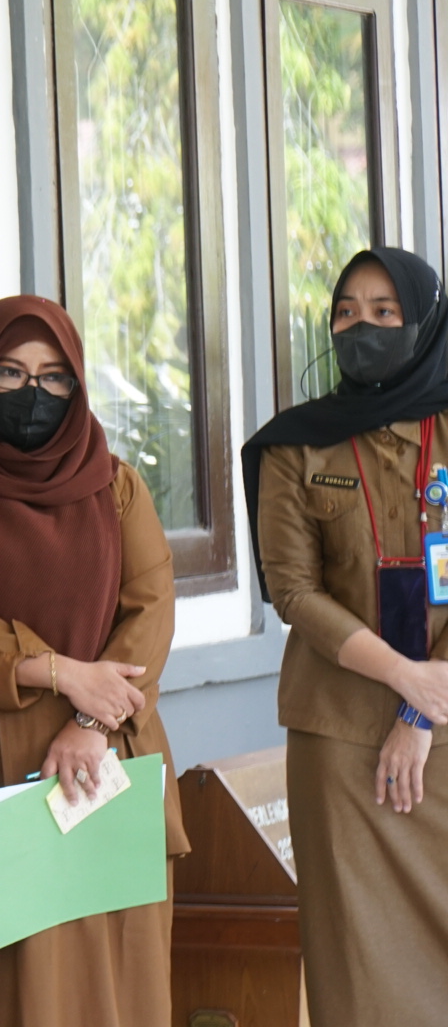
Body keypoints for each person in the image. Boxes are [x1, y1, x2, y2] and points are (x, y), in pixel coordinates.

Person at [0, 296, 188, 1027]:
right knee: (16, 997)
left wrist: (90, 718)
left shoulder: (118, 487)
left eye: (54, 377)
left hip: (109, 752)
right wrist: (61, 671)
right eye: (11, 373)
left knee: (128, 984)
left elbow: (151, 609)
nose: (33, 393)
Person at [244, 247, 448, 1024]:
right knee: (357, 964)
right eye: (346, 313)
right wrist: (405, 678)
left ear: (425, 323)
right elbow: (293, 591)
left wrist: (421, 711)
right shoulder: (296, 443)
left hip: (445, 721)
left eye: (385, 312)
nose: (362, 327)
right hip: (339, 737)